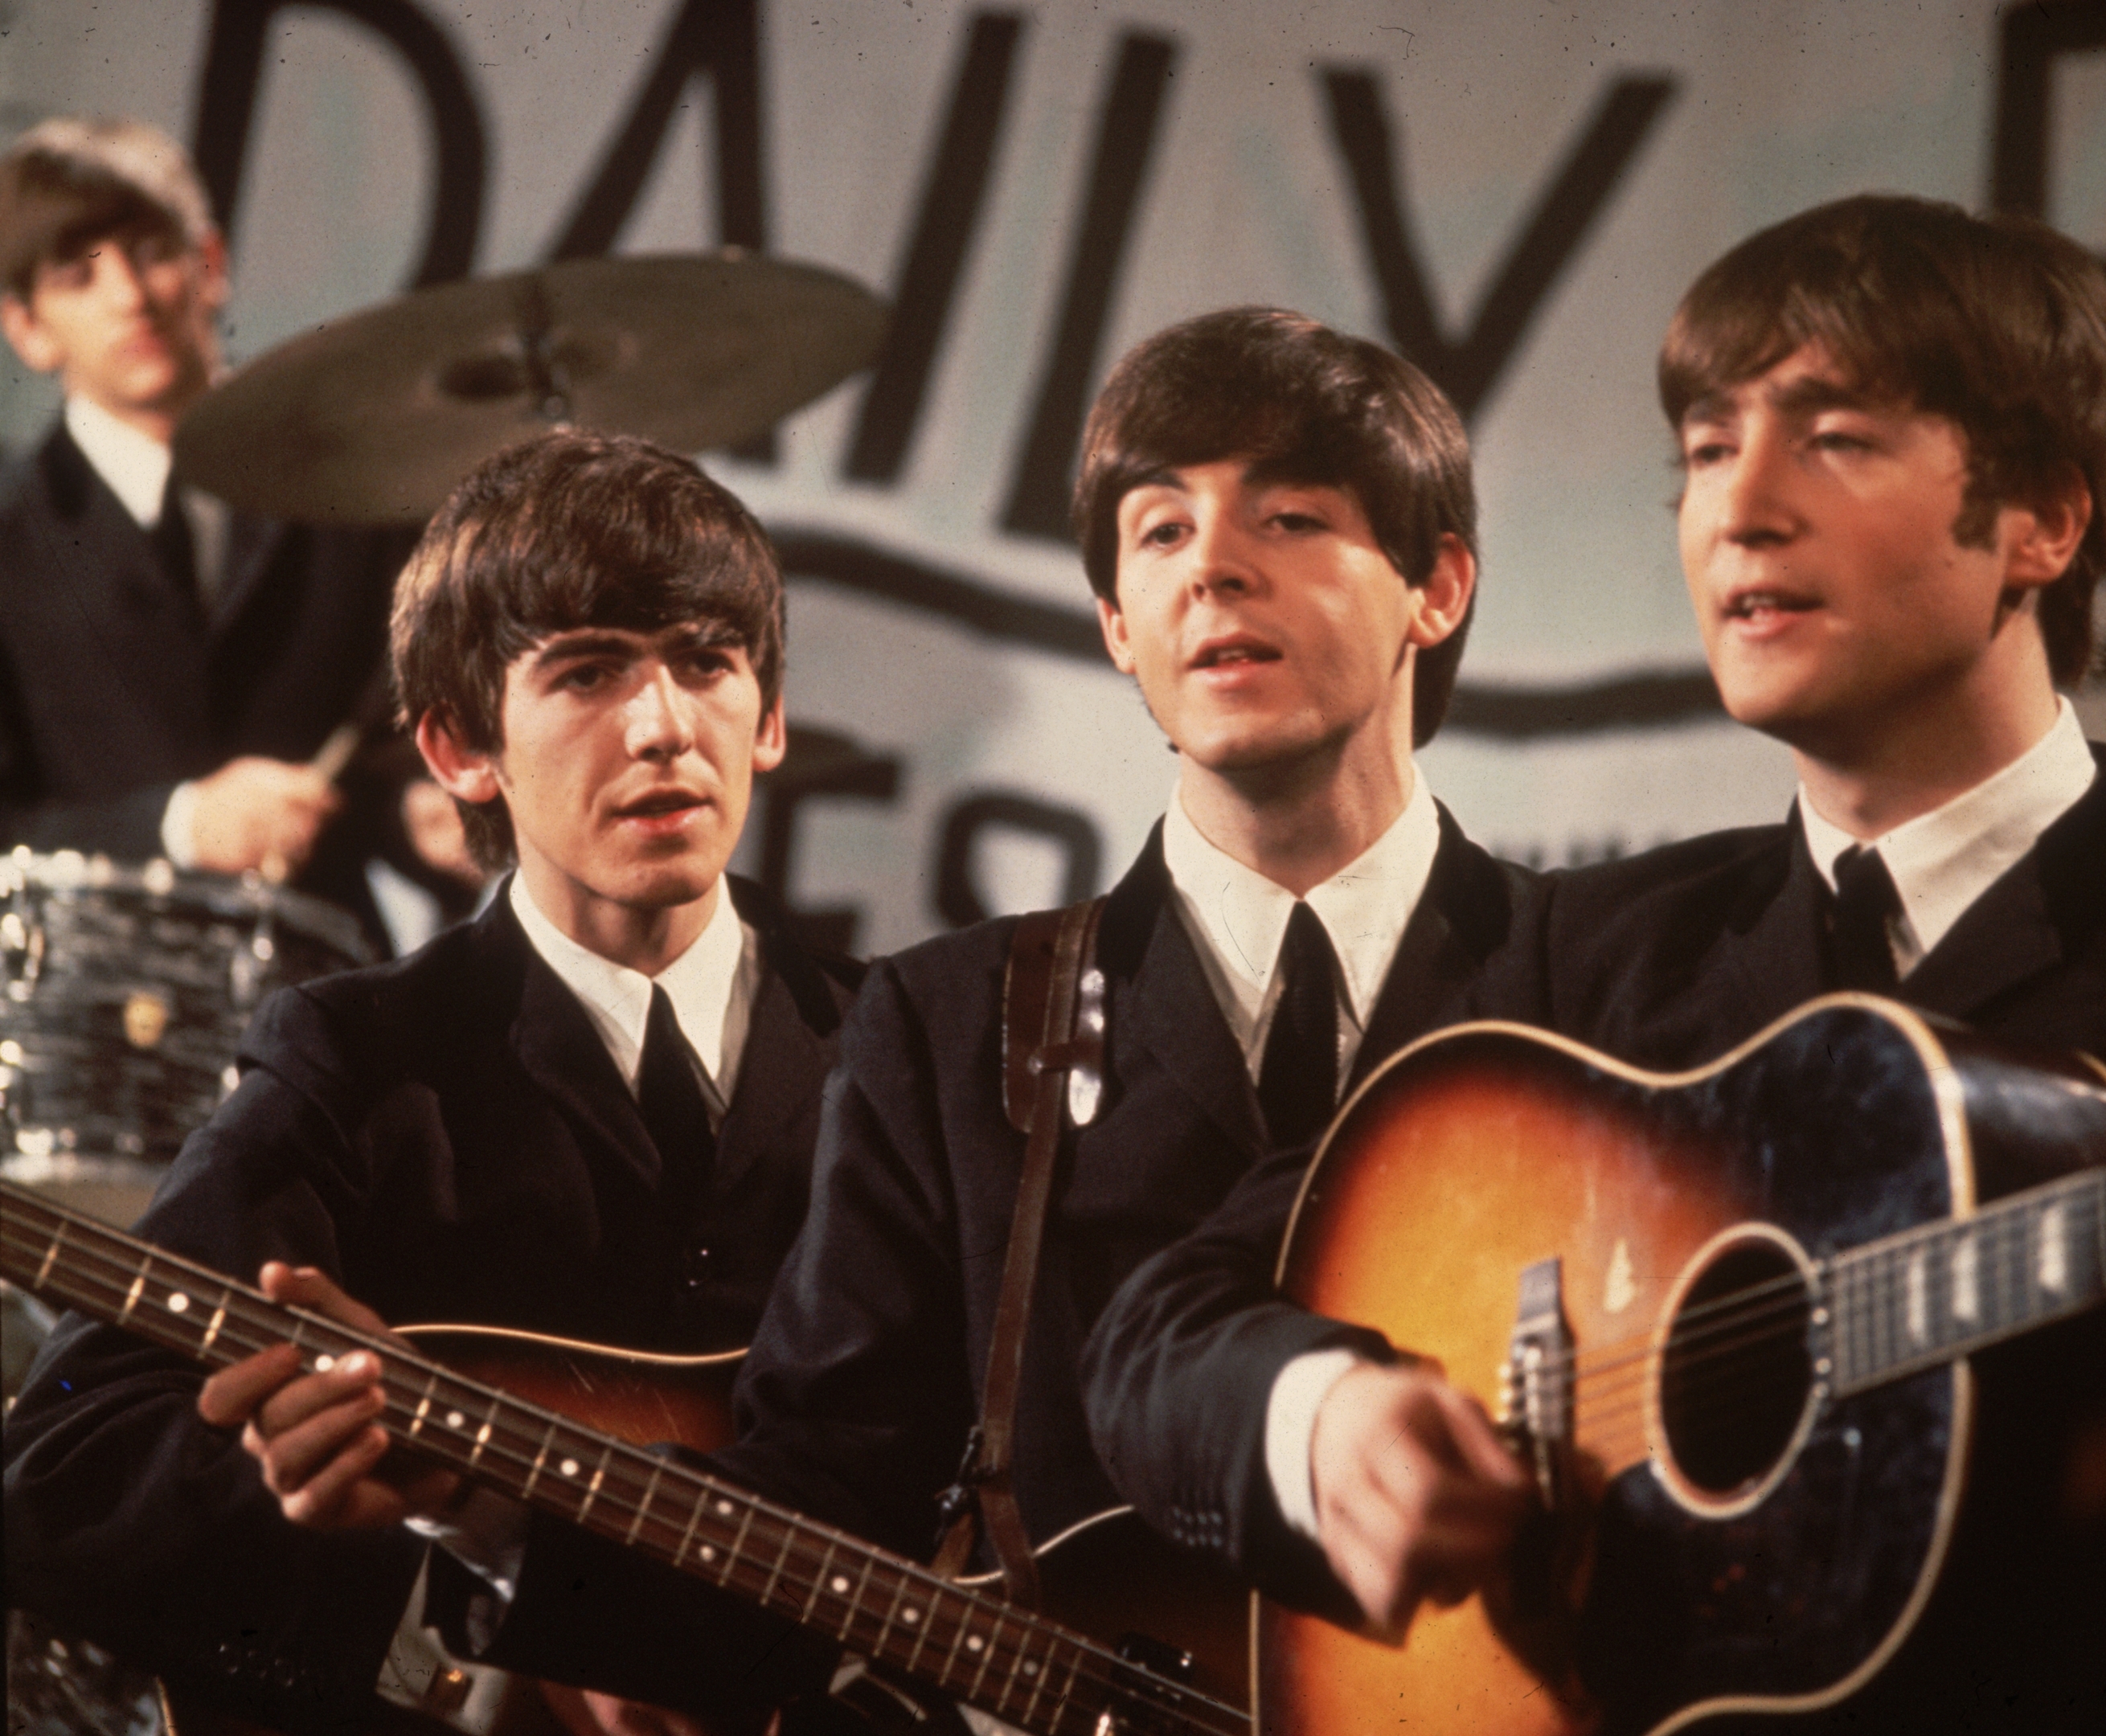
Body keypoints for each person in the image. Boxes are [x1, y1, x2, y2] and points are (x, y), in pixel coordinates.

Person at [204, 307, 1547, 1718]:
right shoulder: (953, 1023)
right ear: (1113, 625)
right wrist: (482, 1509)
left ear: (1437, 587)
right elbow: (814, 1529)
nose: (1213, 566)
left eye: (1287, 515)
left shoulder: (1605, 977)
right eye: (1157, 533)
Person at [1080, 194, 2106, 1728]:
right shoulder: (1584, 960)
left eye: (1835, 437)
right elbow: (1160, 1328)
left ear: (2044, 520)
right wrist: (1323, 1424)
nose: (1741, 510)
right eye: (1708, 450)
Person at [2, 429, 859, 1734]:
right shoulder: (356, 1058)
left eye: (706, 661)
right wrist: (362, 1504)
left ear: (773, 712)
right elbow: (64, 1474)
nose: (665, 725)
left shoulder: (905, 1047)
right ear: (458, 748)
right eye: (586, 673)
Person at [0, 116, 451, 936]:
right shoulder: (9, 534)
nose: (129, 298)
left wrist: (421, 817)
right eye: (77, 275)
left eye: (150, 252)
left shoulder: (351, 491)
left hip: (320, 991)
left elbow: (390, 743)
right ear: (26, 327)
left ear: (209, 264)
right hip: (93, 1016)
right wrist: (179, 825)